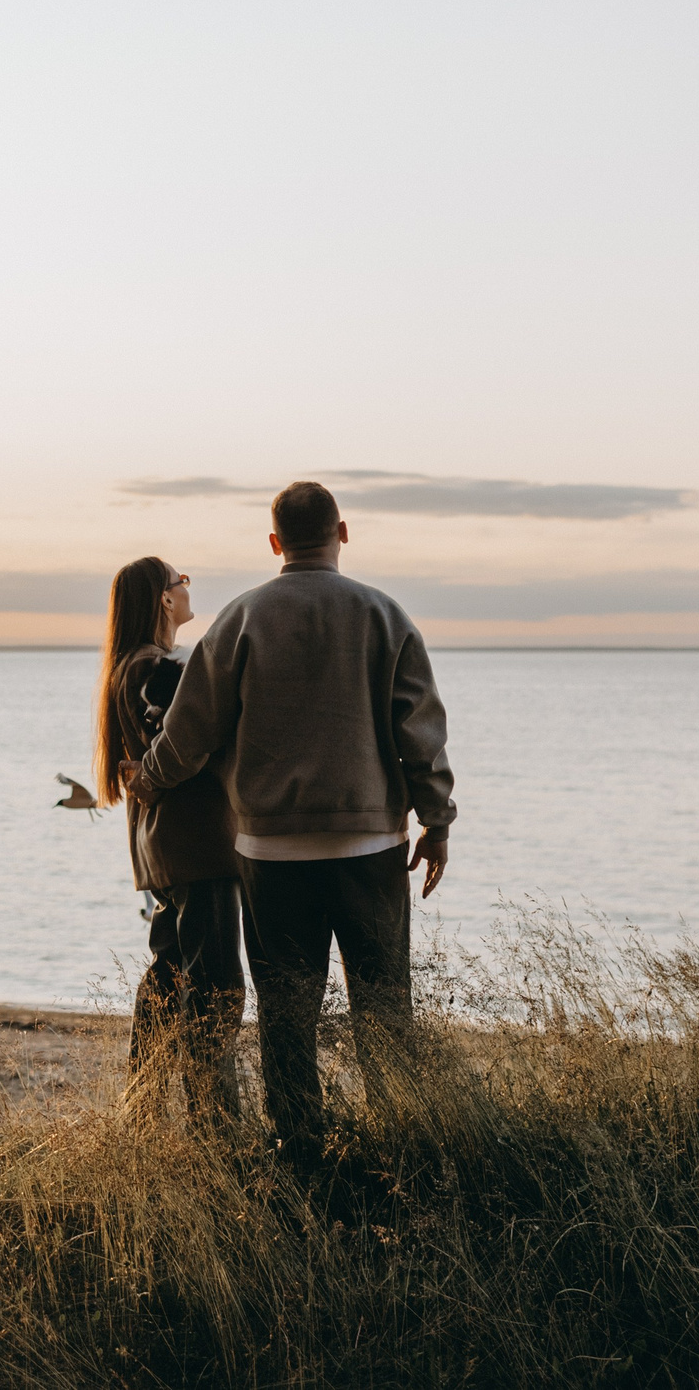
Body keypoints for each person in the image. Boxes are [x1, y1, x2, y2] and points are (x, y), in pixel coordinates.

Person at [128, 482, 456, 1160]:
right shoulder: (385, 615)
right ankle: (403, 1152)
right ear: (343, 530)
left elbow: (189, 731)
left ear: (275, 542)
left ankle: (301, 1154)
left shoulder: (240, 620)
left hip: (271, 854)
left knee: (287, 1016)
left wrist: (152, 782)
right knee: (384, 1009)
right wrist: (437, 818)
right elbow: (418, 728)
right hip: (371, 847)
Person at [95, 555, 245, 1129]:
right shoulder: (154, 668)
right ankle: (214, 1120)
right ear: (164, 598)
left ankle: (145, 1108)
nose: (188, 590)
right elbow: (191, 747)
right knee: (217, 983)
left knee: (170, 971)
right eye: (182, 582)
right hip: (195, 844)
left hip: (166, 846)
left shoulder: (135, 666)